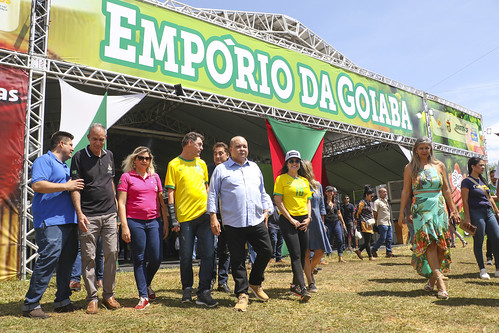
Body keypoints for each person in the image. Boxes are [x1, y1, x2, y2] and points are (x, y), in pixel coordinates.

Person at [22, 131, 84, 318]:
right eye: (71, 144)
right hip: (50, 221)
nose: (73, 148)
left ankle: (62, 300)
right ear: (61, 144)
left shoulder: (65, 167)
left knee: (67, 262)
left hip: (69, 221)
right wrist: (67, 186)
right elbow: (38, 185)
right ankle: (31, 304)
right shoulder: (44, 161)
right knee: (48, 260)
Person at [208, 136, 273, 312]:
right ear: (230, 150)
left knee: (267, 250)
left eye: (245, 146)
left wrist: (267, 210)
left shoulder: (255, 168)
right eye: (238, 146)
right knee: (237, 259)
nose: (242, 149)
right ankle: (242, 294)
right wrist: (213, 217)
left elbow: (262, 191)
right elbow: (213, 194)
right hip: (233, 222)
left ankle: (255, 282)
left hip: (256, 219)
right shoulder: (222, 169)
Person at [398, 137, 459, 300]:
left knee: (441, 245)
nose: (425, 151)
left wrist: (453, 209)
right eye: (421, 148)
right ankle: (441, 284)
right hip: (421, 209)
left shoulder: (439, 165)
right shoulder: (410, 168)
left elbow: (446, 189)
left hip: (439, 207)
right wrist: (401, 213)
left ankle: (431, 280)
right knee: (430, 243)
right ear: (415, 150)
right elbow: (405, 191)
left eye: (427, 148)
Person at [70, 123, 121, 314]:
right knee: (89, 257)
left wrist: (115, 206)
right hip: (88, 215)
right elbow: (75, 187)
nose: (98, 143)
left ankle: (108, 295)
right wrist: (79, 213)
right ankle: (92, 298)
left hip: (109, 214)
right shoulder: (79, 157)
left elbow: (110, 181)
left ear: (105, 138)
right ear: (89, 138)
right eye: (95, 139)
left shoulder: (109, 155)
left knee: (112, 253)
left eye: (101, 139)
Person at [165, 132, 217, 307]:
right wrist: (173, 218)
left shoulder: (202, 164)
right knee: (186, 256)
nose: (202, 148)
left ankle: (204, 291)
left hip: (204, 215)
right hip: (185, 218)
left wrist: (212, 212)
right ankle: (187, 289)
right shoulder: (174, 164)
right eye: (199, 144)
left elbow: (207, 188)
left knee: (208, 254)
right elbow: (170, 192)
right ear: (189, 143)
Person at [117, 146, 168, 310]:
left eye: (147, 158)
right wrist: (124, 225)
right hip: (134, 221)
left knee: (156, 257)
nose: (144, 161)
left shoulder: (155, 177)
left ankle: (146, 284)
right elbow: (121, 203)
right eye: (141, 158)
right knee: (139, 258)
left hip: (154, 221)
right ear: (134, 160)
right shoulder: (126, 177)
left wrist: (166, 223)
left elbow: (162, 203)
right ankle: (143, 296)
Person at [274, 150, 312, 303]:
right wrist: (290, 219)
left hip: (304, 220)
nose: (294, 163)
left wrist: (309, 218)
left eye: (297, 161)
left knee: (303, 254)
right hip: (288, 220)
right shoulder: (281, 179)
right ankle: (303, 288)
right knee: (295, 254)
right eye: (291, 161)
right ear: (286, 164)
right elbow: (278, 201)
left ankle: (294, 285)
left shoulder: (304, 180)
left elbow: (308, 201)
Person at [460, 157, 499, 279]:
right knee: (479, 240)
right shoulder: (466, 182)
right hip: (476, 212)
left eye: (483, 165)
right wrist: (467, 218)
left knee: (497, 238)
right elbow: (465, 201)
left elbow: (490, 198)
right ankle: (482, 269)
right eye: (480, 165)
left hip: (488, 212)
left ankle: (498, 268)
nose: (483, 167)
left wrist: (497, 212)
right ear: (473, 166)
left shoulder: (483, 181)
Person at [301, 160, 333, 293]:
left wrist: (323, 222)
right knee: (306, 252)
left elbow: (321, 207)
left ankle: (310, 271)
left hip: (317, 221)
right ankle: (310, 280)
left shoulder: (317, 185)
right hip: (303, 220)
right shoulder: (298, 184)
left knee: (320, 252)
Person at [207, 142, 232, 293]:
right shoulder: (207, 170)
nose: (217, 156)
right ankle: (209, 280)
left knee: (226, 250)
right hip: (211, 215)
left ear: (227, 155)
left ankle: (223, 282)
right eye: (215, 153)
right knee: (210, 249)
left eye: (221, 153)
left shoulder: (232, 169)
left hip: (228, 216)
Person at [324, 186, 346, 263]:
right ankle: (324, 256)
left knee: (340, 239)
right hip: (327, 223)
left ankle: (340, 257)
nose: (330, 193)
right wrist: (323, 224)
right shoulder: (323, 202)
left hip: (336, 222)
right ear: (326, 193)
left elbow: (339, 213)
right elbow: (322, 215)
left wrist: (343, 223)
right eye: (328, 191)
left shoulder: (336, 202)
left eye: (331, 191)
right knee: (327, 239)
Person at [354, 186, 376, 261]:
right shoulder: (362, 203)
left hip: (369, 223)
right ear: (367, 195)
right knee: (367, 241)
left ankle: (359, 250)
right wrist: (358, 223)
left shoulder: (369, 203)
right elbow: (357, 214)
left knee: (371, 240)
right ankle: (370, 256)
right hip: (364, 223)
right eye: (371, 196)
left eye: (373, 196)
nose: (372, 197)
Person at [371, 187, 394, 258]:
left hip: (388, 222)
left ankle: (389, 252)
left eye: (386, 192)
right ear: (379, 193)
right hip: (382, 222)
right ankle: (374, 249)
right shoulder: (377, 202)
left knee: (389, 237)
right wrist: (376, 221)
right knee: (383, 237)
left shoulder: (386, 201)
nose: (386, 193)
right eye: (384, 192)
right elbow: (374, 212)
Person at [485, 169, 498, 265]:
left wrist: (489, 196)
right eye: (491, 176)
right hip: (492, 213)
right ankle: (489, 256)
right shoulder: (488, 186)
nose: (493, 178)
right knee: (491, 236)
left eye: (495, 176)